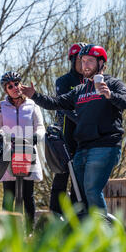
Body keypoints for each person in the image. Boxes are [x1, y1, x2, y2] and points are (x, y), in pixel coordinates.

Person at [21, 44, 126, 214]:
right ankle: (87, 234)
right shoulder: (80, 90)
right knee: (80, 197)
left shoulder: (113, 83)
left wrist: (109, 94)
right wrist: (34, 96)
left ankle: (104, 233)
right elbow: (55, 103)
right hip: (82, 149)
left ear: (101, 63)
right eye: (83, 61)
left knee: (92, 190)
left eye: (90, 61)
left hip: (104, 146)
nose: (85, 65)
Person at [0, 71, 45, 230]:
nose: (15, 87)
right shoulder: (1, 106)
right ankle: (7, 232)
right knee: (8, 195)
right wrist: (5, 138)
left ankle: (30, 232)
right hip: (9, 153)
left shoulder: (32, 105)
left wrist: (37, 137)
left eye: (16, 83)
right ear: (6, 90)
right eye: (10, 86)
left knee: (28, 195)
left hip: (28, 152)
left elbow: (41, 126)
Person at [50, 42, 86, 215]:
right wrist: (81, 118)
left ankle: (76, 215)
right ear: (72, 60)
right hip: (66, 135)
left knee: (79, 179)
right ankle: (55, 215)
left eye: (87, 60)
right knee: (61, 177)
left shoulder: (90, 82)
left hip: (83, 137)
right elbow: (62, 106)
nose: (83, 63)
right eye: (80, 59)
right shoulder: (64, 81)